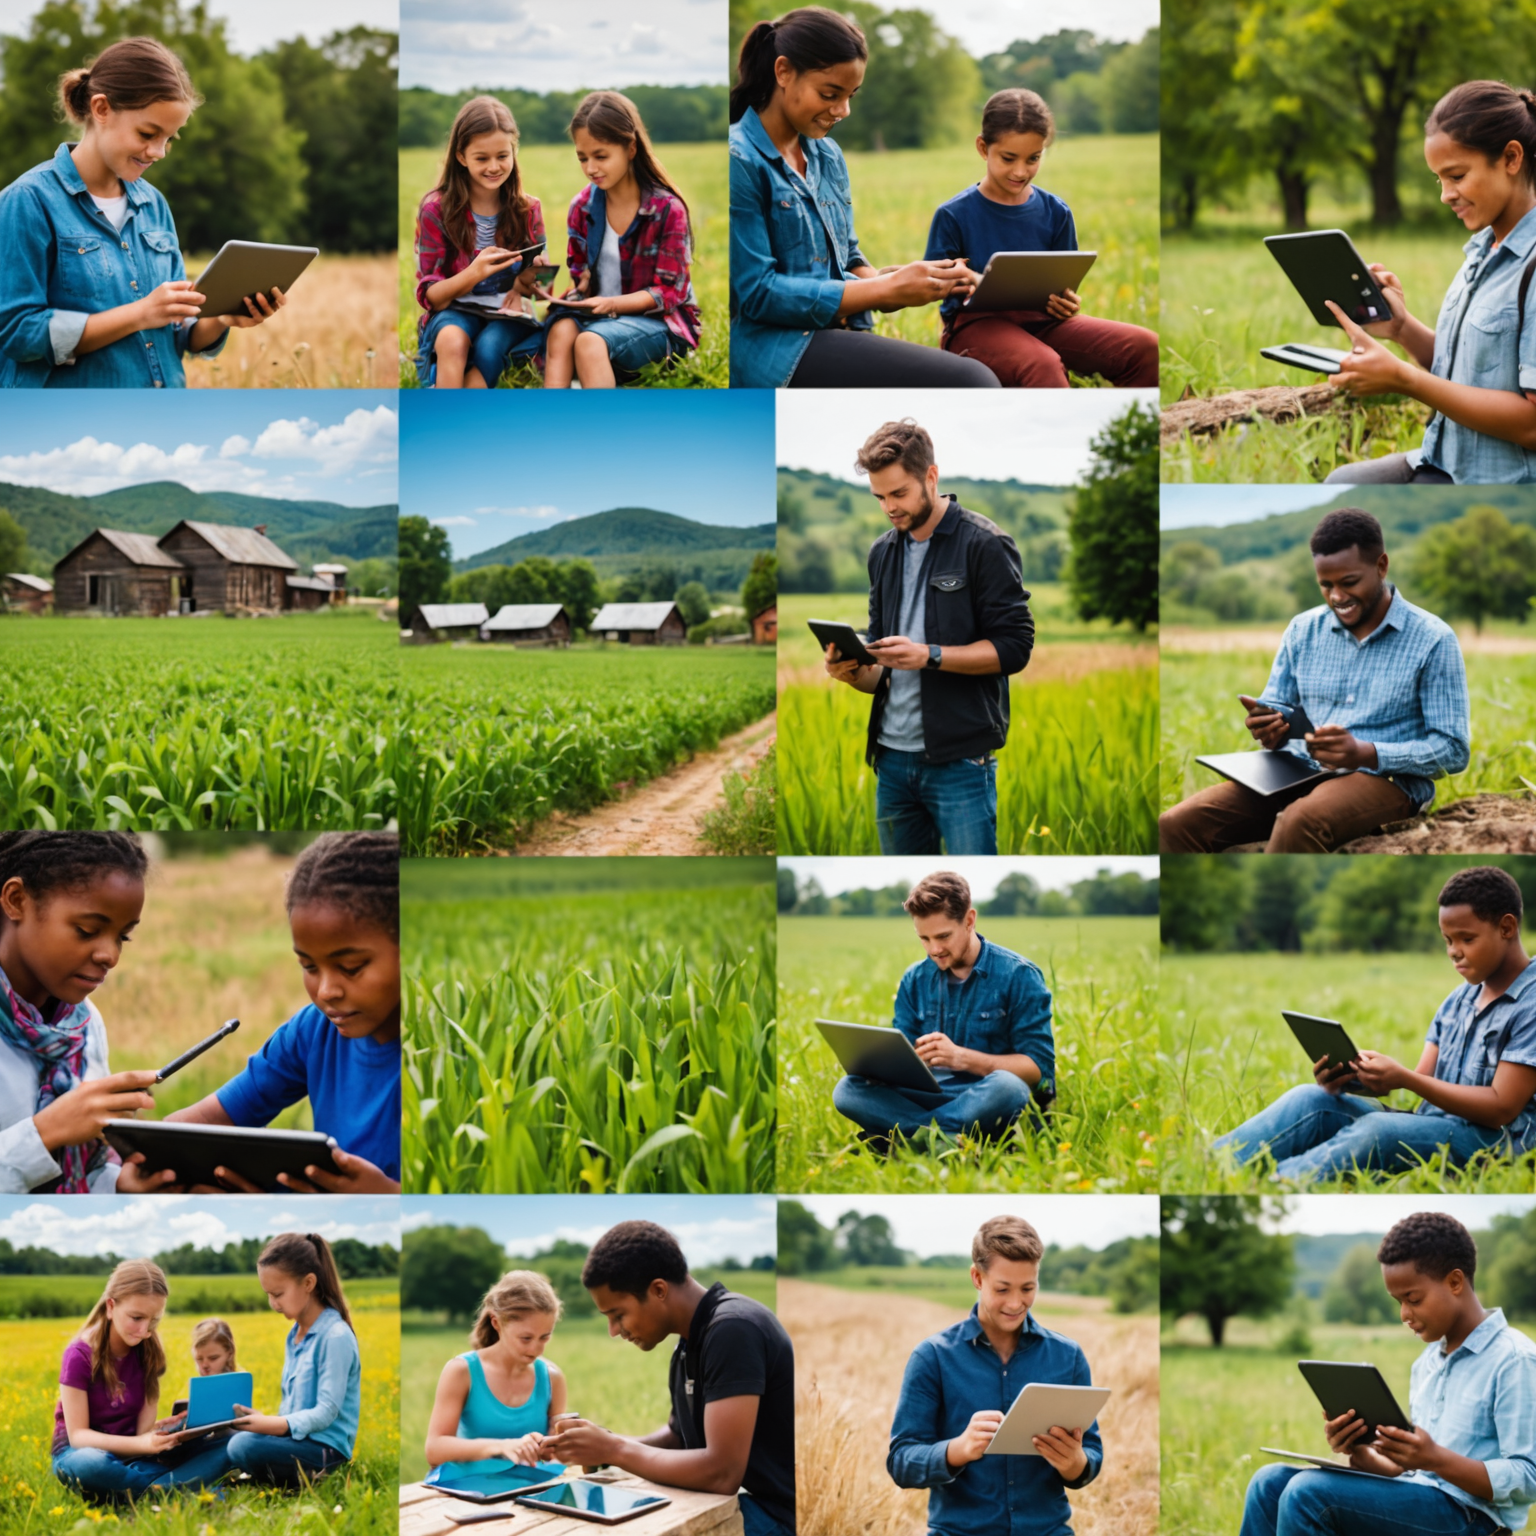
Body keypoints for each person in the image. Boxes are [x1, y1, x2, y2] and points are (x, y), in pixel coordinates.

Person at [1158, 509, 1469, 853]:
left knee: (1298, 821)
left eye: (1349, 582)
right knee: (1176, 824)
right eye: (1326, 585)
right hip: (1296, 770)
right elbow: (1278, 705)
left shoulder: (1433, 639)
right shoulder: (1302, 630)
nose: (1337, 596)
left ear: (1381, 566)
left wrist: (1366, 753)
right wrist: (1269, 727)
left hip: (1386, 780)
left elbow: (1453, 750)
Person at [728, 7, 1000, 388]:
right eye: (830, 94)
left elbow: (848, 256)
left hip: (839, 334)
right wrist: (880, 289)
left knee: (971, 375)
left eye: (851, 95)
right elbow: (757, 294)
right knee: (974, 380)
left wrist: (892, 285)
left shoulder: (828, 156)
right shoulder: (739, 159)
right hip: (777, 351)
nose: (843, 110)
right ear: (783, 72)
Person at [1212, 866, 1536, 1183]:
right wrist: (1360, 1079)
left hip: (1498, 1145)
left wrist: (1405, 1079)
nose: (1454, 952)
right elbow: (1424, 1080)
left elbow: (1501, 1107)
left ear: (1506, 928)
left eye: (1466, 939)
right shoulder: (1458, 999)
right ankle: (1212, 1165)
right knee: (1310, 1098)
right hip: (1432, 1126)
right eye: (1448, 940)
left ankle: (1281, 1183)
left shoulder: (1530, 1002)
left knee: (1381, 1130)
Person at [0, 37, 283, 388]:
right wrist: (139, 314)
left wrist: (223, 318)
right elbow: (16, 333)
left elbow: (178, 333)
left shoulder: (155, 205)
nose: (159, 152)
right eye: (148, 133)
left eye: (169, 139)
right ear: (101, 109)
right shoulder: (27, 201)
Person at [1238, 1212, 1536, 1536]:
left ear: (1454, 1282)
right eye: (1398, 1302)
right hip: (1420, 1501)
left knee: (1307, 1494)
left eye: (1413, 1299)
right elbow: (1406, 1473)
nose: (1404, 1315)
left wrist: (1435, 1458)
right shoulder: (1427, 1363)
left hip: (1474, 1519)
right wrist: (1359, 1451)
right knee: (1267, 1483)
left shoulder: (1514, 1359)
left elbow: (1528, 1476)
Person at [137, 832, 401, 1192]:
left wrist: (387, 1196)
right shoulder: (313, 1030)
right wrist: (151, 1159)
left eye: (351, 967)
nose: (326, 992)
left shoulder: (456, 1048)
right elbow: (209, 1122)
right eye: (309, 967)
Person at [822, 419, 1034, 855]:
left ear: (931, 477)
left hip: (960, 762)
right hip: (891, 762)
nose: (889, 508)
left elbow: (1014, 647)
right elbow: (882, 671)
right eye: (879, 497)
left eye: (899, 493)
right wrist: (850, 671)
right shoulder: (881, 552)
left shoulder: (985, 544)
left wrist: (929, 655)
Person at [1326, 81, 1536, 484]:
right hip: (1443, 458)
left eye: (1456, 176)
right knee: (1342, 482)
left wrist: (1406, 380)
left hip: (1500, 481)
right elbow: (1466, 370)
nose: (1445, 195)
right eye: (1438, 179)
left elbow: (1531, 424)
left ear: (1510, 157)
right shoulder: (1482, 250)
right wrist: (1402, 328)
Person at [544, 1220, 796, 1536]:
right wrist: (602, 1443)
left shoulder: (733, 1329)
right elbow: (678, 1439)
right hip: (740, 1505)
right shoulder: (688, 1344)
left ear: (659, 1290)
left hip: (776, 1517)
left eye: (618, 1315)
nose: (613, 1331)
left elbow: (722, 1473)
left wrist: (615, 1450)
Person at [925, 89, 1158, 388]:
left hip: (1043, 323)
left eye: (1033, 158)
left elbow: (1062, 281)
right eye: (1008, 158)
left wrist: (1068, 302)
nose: (1021, 171)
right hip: (976, 328)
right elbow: (932, 285)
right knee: (1042, 363)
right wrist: (970, 279)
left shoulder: (1056, 212)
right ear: (983, 148)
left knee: (1145, 347)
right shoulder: (953, 214)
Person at [888, 1216, 1103, 1536]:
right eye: (1002, 1289)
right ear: (977, 1277)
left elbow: (1091, 1454)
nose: (1016, 1303)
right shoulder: (932, 1357)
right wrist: (957, 1449)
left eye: (1028, 1288)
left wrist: (1075, 1464)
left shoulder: (1067, 1357)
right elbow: (901, 1462)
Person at [831, 871, 1053, 1151]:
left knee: (1009, 1087)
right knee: (848, 1090)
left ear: (969, 920)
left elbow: (1038, 1070)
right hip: (929, 1094)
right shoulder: (914, 979)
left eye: (943, 936)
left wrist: (962, 1058)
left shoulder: (1019, 975)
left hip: (985, 1097)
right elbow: (904, 1053)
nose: (934, 949)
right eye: (924, 938)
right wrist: (882, 1068)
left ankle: (907, 1142)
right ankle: (945, 1142)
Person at [0, 832, 161, 1193]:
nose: (111, 956)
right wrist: (46, 1132)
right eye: (87, 930)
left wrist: (118, 1186)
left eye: (123, 936)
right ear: (16, 900)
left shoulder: (83, 1024)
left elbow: (78, 1174)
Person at [543, 91, 700, 388]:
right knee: (561, 330)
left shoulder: (667, 210)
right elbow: (580, 280)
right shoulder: (582, 207)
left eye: (601, 156)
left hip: (660, 325)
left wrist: (614, 303)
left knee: (589, 342)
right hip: (601, 318)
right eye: (583, 158)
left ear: (630, 148)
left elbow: (669, 294)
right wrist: (543, 286)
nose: (591, 168)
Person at [51, 1260, 232, 1500]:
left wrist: (169, 1432)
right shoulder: (79, 1355)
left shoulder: (149, 1351)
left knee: (233, 1442)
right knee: (90, 1465)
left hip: (135, 1455)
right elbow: (79, 1436)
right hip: (81, 1453)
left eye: (154, 1320)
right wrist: (143, 1445)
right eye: (136, 1318)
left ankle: (149, 1487)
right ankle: (177, 1490)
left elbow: (142, 1432)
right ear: (110, 1307)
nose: (144, 1330)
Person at [413, 96, 546, 388]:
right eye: (481, 158)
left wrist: (527, 284)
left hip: (507, 315)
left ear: (514, 151)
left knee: (489, 345)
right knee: (451, 339)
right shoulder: (436, 209)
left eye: (503, 155)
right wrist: (474, 273)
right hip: (453, 310)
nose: (494, 167)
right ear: (461, 157)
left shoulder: (528, 208)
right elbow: (431, 296)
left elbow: (541, 284)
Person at [225, 1232, 360, 1486]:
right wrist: (264, 1422)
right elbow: (293, 1410)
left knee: (242, 1446)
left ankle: (296, 1479)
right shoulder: (294, 1335)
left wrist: (274, 1425)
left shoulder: (335, 1336)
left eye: (278, 1294)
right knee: (228, 1435)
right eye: (268, 1294)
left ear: (309, 1283)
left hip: (325, 1451)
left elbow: (326, 1412)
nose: (272, 1303)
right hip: (298, 1442)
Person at [425, 1270, 568, 1481]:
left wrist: (546, 1445)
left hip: (528, 1492)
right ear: (496, 1323)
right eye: (526, 1338)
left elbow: (553, 1455)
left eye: (544, 1337)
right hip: (467, 1491)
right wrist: (502, 1446)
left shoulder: (552, 1378)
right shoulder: (461, 1371)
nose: (536, 1348)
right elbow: (434, 1449)